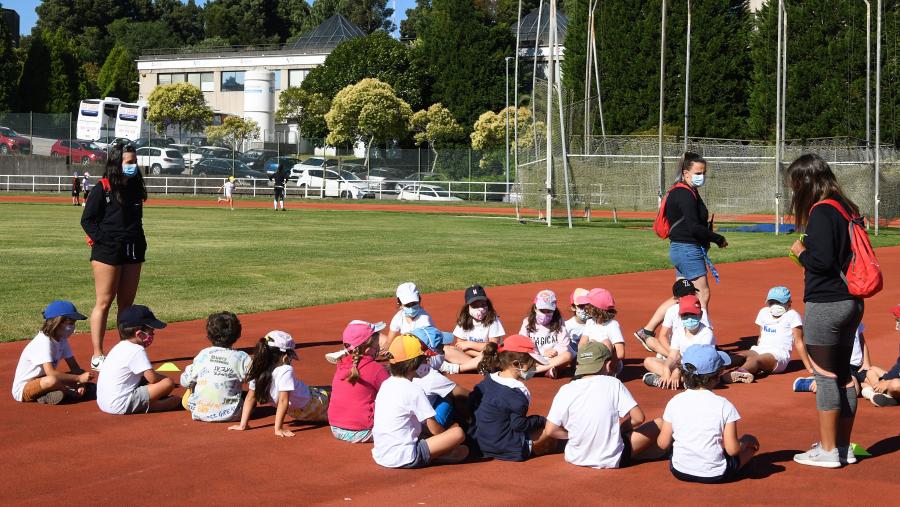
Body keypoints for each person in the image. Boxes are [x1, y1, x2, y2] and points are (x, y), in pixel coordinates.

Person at [787, 154, 865, 468]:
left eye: (795, 184)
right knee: (844, 375)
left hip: (826, 302)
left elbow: (821, 262)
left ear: (805, 182)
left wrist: (801, 252)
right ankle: (842, 447)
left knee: (827, 376)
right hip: (851, 300)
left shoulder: (821, 212)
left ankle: (829, 450)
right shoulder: (846, 208)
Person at [635, 152, 727, 344]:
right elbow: (694, 227)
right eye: (698, 172)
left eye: (703, 172)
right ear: (686, 173)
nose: (701, 176)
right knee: (702, 294)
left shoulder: (685, 191)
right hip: (687, 250)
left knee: (683, 295)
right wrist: (718, 238)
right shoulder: (684, 194)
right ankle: (703, 339)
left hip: (681, 249)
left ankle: (648, 330)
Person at [543, 341, 664, 469]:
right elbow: (638, 418)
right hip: (614, 459)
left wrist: (574, 435)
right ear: (608, 365)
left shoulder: (565, 389)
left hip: (575, 458)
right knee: (660, 423)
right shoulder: (613, 383)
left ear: (579, 365)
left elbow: (550, 430)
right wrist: (623, 428)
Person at [80, 144, 147, 371]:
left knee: (126, 305)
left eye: (134, 162)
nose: (132, 166)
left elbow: (136, 221)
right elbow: (87, 220)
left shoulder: (136, 187)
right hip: (107, 251)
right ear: (117, 163)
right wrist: (103, 240)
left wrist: (141, 243)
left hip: (133, 249)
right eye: (128, 162)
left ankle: (123, 351)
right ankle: (98, 354)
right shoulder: (103, 187)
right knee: (104, 301)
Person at [658, 344, 759, 483]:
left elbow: (662, 444)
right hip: (716, 474)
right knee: (751, 449)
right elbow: (732, 450)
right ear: (717, 377)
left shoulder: (674, 401)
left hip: (678, 470)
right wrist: (747, 440)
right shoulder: (725, 406)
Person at [371, 334, 469, 468]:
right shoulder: (414, 389)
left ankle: (438, 453)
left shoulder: (386, 384)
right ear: (414, 364)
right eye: (425, 360)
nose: (427, 363)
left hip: (381, 453)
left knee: (429, 430)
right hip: (406, 456)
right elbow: (435, 430)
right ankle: (437, 455)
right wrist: (447, 437)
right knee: (458, 433)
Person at [468, 335, 554, 461]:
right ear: (515, 364)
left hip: (478, 444)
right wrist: (540, 420)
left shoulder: (487, 380)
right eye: (532, 364)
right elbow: (518, 425)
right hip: (507, 448)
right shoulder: (518, 392)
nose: (534, 368)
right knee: (551, 431)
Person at [229, 331, 331, 437]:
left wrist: (243, 425)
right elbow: (283, 400)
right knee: (340, 402)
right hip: (314, 404)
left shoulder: (257, 367)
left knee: (326, 392)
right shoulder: (286, 370)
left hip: (297, 412)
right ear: (285, 356)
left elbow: (251, 397)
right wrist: (278, 429)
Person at [96, 305, 181, 414]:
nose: (153, 335)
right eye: (151, 332)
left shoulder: (118, 347)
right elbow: (152, 378)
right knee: (169, 386)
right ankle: (151, 406)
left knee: (149, 384)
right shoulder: (137, 350)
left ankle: (146, 403)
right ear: (140, 334)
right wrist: (166, 379)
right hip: (120, 404)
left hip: (104, 403)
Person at [12, 301, 93, 405]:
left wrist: (80, 383)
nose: (73, 327)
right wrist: (78, 379)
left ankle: (48, 394)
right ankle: (67, 393)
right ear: (57, 322)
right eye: (71, 323)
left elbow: (75, 368)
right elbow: (51, 373)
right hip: (24, 389)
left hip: (43, 379)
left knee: (79, 372)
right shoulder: (43, 342)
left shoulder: (62, 340)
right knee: (52, 380)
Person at [724, 287, 806, 383]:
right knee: (741, 355)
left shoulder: (792, 315)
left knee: (756, 360)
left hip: (778, 356)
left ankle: (739, 372)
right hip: (760, 349)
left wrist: (809, 367)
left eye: (779, 303)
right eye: (772, 303)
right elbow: (761, 336)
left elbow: (799, 342)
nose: (775, 306)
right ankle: (714, 367)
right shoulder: (764, 312)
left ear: (789, 303)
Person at [180, 312, 250, 422]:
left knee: (192, 385)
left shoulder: (203, 354)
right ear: (238, 334)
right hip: (233, 414)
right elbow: (256, 382)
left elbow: (185, 382)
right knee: (250, 397)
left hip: (198, 412)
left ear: (208, 334)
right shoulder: (242, 357)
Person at [328, 320, 390, 443]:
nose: (378, 346)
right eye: (376, 343)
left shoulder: (341, 364)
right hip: (362, 431)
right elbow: (393, 393)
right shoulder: (376, 369)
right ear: (367, 348)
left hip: (335, 428)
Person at [643, 295, 717, 389]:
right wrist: (666, 369)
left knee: (702, 375)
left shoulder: (706, 333)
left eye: (693, 315)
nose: (689, 318)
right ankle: (682, 381)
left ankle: (665, 381)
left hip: (700, 367)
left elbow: (698, 360)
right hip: (683, 366)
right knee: (648, 361)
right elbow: (673, 355)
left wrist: (677, 370)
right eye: (685, 315)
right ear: (680, 316)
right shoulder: (678, 331)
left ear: (700, 314)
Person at [410, 326, 469, 429]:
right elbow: (464, 394)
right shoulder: (431, 376)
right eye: (441, 349)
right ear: (430, 353)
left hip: (407, 424)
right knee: (451, 396)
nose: (443, 354)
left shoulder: (403, 370)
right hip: (422, 428)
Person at [634, 280, 711, 356]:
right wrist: (673, 353)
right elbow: (662, 336)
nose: (690, 297)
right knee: (650, 342)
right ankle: (675, 359)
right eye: (686, 295)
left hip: (696, 347)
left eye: (692, 293)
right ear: (677, 299)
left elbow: (707, 331)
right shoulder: (672, 310)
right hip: (676, 348)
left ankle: (673, 359)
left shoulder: (700, 310)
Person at [443, 284, 505, 373]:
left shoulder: (493, 320)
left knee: (490, 355)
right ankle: (479, 367)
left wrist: (470, 344)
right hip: (474, 356)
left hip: (489, 356)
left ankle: (462, 368)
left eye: (483, 305)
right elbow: (460, 345)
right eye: (475, 306)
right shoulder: (464, 320)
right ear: (467, 307)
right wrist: (477, 354)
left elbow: (492, 347)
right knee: (446, 349)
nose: (480, 309)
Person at [519, 290, 572, 378]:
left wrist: (555, 351)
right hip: (535, 357)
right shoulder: (527, 322)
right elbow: (522, 342)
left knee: (568, 355)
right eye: (542, 311)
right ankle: (547, 370)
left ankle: (534, 371)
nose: (545, 314)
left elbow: (564, 344)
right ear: (535, 308)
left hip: (554, 357)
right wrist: (543, 353)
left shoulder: (558, 321)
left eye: (549, 311)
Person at [859, 305, 900, 407]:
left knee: (895, 385)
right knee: (872, 371)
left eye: (898, 320)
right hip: (894, 378)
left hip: (896, 382)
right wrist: (885, 380)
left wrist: (887, 383)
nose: (896, 324)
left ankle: (881, 394)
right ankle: (884, 394)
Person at [578, 288, 625, 375]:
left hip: (609, 365)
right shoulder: (590, 322)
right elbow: (582, 344)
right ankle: (587, 371)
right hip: (592, 361)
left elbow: (620, 352)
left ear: (595, 308)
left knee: (605, 342)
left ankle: (604, 374)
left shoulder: (612, 325)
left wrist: (611, 367)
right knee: (591, 343)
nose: (585, 307)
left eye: (588, 305)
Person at [564, 288, 590, 357]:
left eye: (588, 305)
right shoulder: (567, 326)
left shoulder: (596, 323)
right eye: (581, 306)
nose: (585, 309)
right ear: (573, 307)